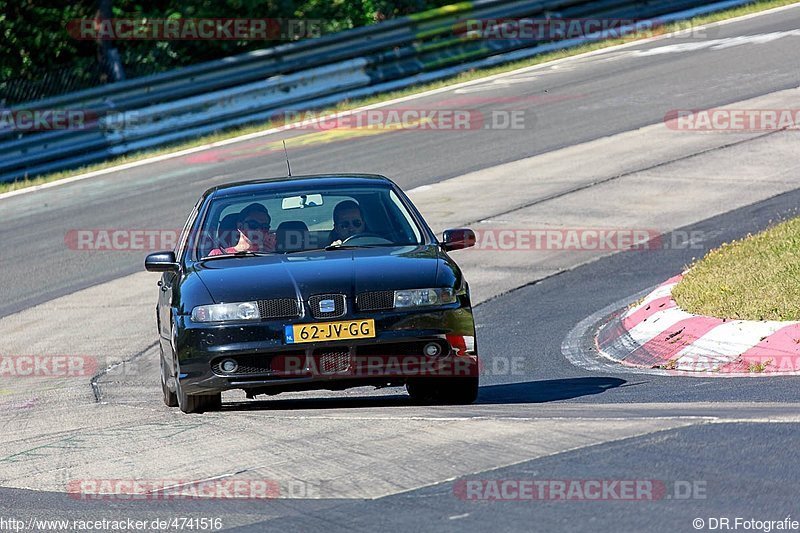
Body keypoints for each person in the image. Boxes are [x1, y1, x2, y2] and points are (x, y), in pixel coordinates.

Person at [209, 203, 276, 255]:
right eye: (253, 225)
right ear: (240, 226)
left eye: (264, 227)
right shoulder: (218, 255)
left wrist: (271, 255)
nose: (259, 230)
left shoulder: (274, 256)